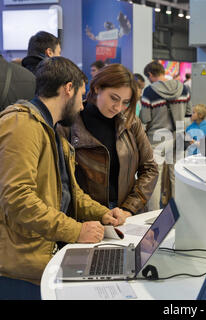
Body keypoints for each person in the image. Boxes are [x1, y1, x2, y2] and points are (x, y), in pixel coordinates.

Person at [0, 57, 127, 299]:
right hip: (21, 271)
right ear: (68, 89)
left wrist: (102, 213)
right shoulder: (21, 125)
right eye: (81, 95)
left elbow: (70, 193)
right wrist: (76, 230)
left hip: (46, 258)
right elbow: (18, 200)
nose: (82, 105)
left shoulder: (51, 130)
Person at [58, 64, 158, 216]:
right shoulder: (68, 124)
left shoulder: (131, 122)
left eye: (125, 102)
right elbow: (62, 182)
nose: (118, 107)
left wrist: (129, 208)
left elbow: (149, 168)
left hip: (126, 215)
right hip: (85, 218)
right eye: (114, 98)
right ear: (97, 88)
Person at [140, 61, 192, 211]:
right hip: (180, 136)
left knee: (155, 178)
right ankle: (179, 212)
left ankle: (154, 215)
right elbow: (188, 113)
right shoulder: (184, 88)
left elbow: (145, 118)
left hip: (157, 138)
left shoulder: (149, 91)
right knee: (178, 177)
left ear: (150, 75)